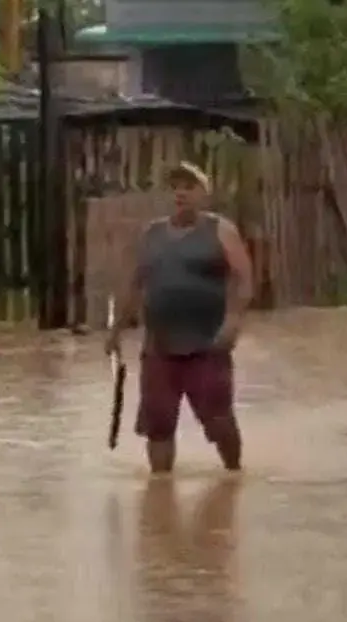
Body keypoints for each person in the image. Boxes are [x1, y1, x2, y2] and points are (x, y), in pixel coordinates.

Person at [105, 161, 253, 474]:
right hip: (159, 345)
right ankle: (160, 489)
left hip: (207, 343)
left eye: (189, 187)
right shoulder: (152, 234)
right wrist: (116, 331)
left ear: (204, 194)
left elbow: (244, 279)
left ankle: (234, 474)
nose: (181, 193)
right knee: (158, 422)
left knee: (218, 420)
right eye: (175, 187)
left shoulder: (221, 230)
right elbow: (135, 283)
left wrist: (233, 323)